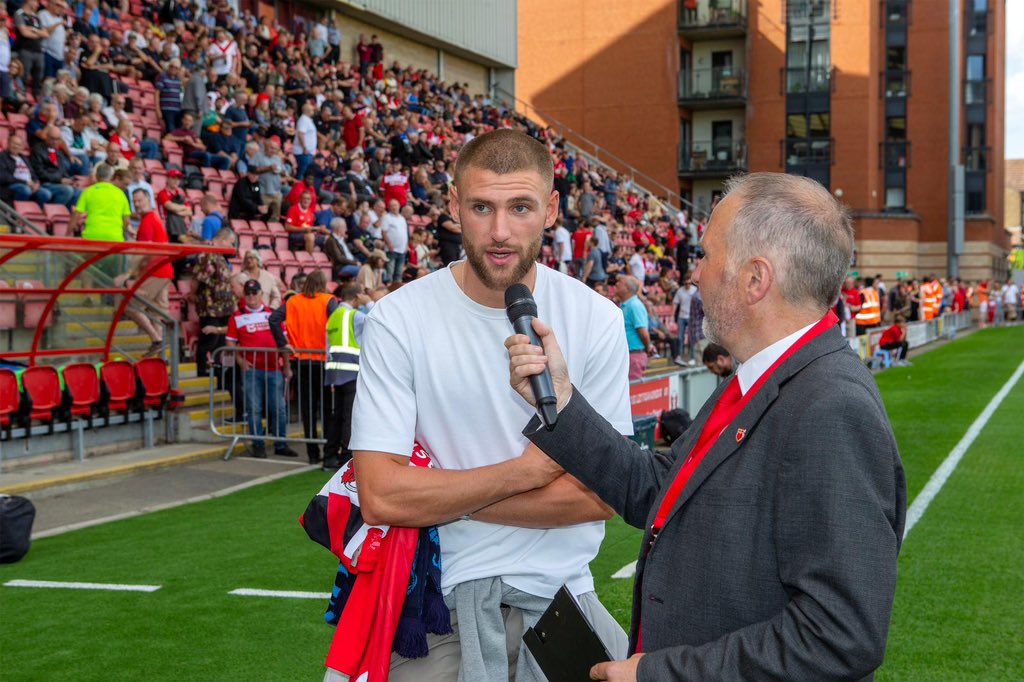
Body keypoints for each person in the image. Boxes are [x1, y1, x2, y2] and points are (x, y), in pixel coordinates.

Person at [507, 172, 906, 681]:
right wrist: (561, 401)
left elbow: (839, 633)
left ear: (755, 279)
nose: (695, 274)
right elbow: (657, 487)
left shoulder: (830, 406)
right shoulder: (758, 378)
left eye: (707, 255)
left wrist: (658, 673)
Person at [338, 129, 630, 682]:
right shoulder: (399, 320)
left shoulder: (596, 318)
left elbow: (598, 498)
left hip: (565, 594)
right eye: (481, 207)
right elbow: (379, 495)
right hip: (441, 604)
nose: (499, 232)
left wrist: (443, 496)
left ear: (550, 210)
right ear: (453, 207)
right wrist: (528, 472)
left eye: (520, 207)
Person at [226, 279, 298, 460]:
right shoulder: (237, 316)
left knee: (279, 408)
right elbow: (230, 341)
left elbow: (284, 343)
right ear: (245, 295)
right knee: (254, 408)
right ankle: (258, 444)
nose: (251, 296)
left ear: (260, 294)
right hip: (252, 369)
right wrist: (240, 360)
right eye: (248, 293)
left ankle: (280, 443)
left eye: (254, 292)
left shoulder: (272, 314)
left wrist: (287, 366)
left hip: (274, 368)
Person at [270, 270, 336, 465]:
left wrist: (283, 343)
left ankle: (312, 454)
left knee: (308, 407)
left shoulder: (293, 301)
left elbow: (273, 319)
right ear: (323, 283)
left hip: (301, 359)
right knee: (325, 408)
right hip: (323, 359)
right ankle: (328, 449)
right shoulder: (328, 300)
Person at [113, 189, 172, 356]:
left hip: (155, 271)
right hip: (165, 271)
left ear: (148, 199)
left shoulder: (148, 220)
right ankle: (162, 356)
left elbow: (143, 252)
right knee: (157, 312)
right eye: (135, 201)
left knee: (131, 306)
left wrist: (131, 275)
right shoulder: (155, 218)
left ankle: (156, 340)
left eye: (140, 200)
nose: (137, 204)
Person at [322, 281, 367, 471]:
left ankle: (329, 456)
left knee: (337, 415)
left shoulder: (334, 315)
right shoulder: (355, 315)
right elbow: (377, 321)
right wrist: (371, 302)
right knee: (349, 416)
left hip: (334, 371)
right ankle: (346, 457)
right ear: (357, 297)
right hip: (351, 371)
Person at [190, 227, 238, 378]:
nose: (232, 248)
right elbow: (198, 279)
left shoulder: (219, 255)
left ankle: (219, 371)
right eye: (230, 243)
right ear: (222, 240)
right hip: (211, 306)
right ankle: (202, 371)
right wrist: (192, 294)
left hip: (224, 307)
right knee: (209, 340)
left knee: (221, 342)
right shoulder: (207, 253)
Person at [71, 163, 129, 241]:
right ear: (111, 177)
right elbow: (127, 220)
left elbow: (76, 215)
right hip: (115, 238)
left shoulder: (88, 191)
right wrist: (120, 230)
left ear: (96, 176)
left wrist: (67, 233)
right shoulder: (121, 194)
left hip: (92, 236)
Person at [616, 275, 654, 380]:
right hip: (628, 355)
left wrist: (647, 347)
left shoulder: (634, 305)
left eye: (620, 283)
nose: (616, 284)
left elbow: (643, 332)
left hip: (634, 356)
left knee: (633, 390)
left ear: (627, 289)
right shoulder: (626, 305)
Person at [380, 198, 408, 283]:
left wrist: (406, 245)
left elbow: (405, 233)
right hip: (391, 249)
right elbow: (383, 232)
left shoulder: (402, 218)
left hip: (402, 249)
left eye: (395, 205)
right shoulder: (386, 217)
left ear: (399, 206)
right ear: (389, 207)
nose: (394, 207)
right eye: (392, 205)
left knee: (399, 273)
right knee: (390, 272)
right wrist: (389, 244)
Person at [671, 274, 698, 365]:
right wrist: (672, 315)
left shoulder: (695, 290)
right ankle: (679, 355)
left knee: (691, 338)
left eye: (689, 283)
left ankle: (692, 357)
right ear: (683, 283)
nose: (687, 285)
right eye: (686, 283)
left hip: (691, 317)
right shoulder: (680, 291)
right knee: (680, 337)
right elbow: (675, 303)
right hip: (682, 316)